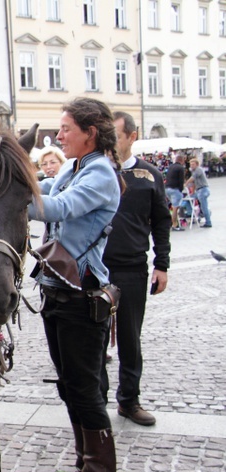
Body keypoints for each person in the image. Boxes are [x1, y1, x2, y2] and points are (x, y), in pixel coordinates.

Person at [28, 98, 122, 472]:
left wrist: (11, 196)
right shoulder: (72, 165)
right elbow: (41, 186)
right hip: (56, 292)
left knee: (85, 388)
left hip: (81, 296)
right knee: (70, 385)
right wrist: (10, 176)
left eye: (66, 128)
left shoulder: (101, 173)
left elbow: (56, 206)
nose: (59, 135)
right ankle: (86, 467)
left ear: (90, 134)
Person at [102, 111, 171, 427]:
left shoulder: (150, 175)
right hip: (96, 268)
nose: (111, 143)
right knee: (94, 337)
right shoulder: (97, 172)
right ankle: (95, 400)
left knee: (130, 338)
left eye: (115, 135)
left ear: (132, 135)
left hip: (132, 267)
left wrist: (162, 265)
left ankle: (129, 400)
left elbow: (161, 222)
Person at [185, 158, 212, 228]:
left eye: (193, 164)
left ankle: (208, 222)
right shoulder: (194, 171)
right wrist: (193, 192)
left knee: (204, 207)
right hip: (198, 190)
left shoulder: (198, 170)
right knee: (188, 199)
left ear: (197, 164)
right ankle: (191, 214)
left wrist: (185, 183)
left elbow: (193, 178)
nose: (191, 166)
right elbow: (194, 183)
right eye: (190, 164)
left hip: (203, 189)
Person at [164, 154, 186, 231]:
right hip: (175, 189)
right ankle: (175, 225)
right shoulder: (181, 168)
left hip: (167, 188)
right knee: (175, 208)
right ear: (182, 160)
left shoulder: (171, 166)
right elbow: (181, 180)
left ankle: (171, 223)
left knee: (172, 207)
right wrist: (181, 189)